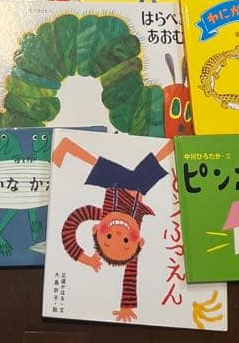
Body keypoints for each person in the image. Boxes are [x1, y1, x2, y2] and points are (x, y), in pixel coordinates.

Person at [55, 135, 173, 323]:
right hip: (137, 187)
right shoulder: (132, 250)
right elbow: (130, 274)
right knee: (146, 173)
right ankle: (175, 144)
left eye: (108, 236)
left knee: (101, 165)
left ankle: (68, 146)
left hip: (116, 183)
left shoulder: (102, 215)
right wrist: (126, 306)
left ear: (96, 228)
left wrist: (87, 260)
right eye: (126, 240)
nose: (118, 234)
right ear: (140, 242)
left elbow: (71, 224)